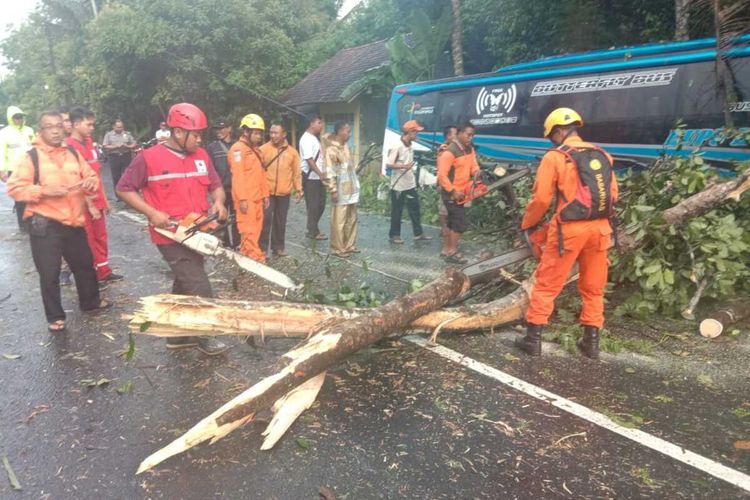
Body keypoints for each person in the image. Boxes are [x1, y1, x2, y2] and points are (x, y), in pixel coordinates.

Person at [116, 102, 228, 355]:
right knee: (200, 285)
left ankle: (178, 336)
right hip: (169, 234)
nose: (200, 139)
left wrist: (219, 203)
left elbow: (215, 185)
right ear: (178, 132)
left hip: (198, 232)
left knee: (185, 280)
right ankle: (205, 334)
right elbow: (123, 189)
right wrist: (152, 212)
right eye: (196, 134)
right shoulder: (149, 157)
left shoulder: (202, 156)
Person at [515, 108, 618, 359]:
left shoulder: (555, 157)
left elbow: (541, 199)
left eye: (552, 135)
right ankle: (591, 343)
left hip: (569, 231)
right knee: (594, 288)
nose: (553, 140)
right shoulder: (602, 154)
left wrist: (527, 224)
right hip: (601, 228)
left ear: (560, 131)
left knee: (547, 284)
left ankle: (533, 339)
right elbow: (613, 194)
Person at [7, 111, 110, 332]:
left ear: (64, 129)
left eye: (58, 126)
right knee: (49, 272)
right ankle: (55, 316)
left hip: (74, 221)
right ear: (40, 131)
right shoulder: (31, 157)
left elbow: (89, 174)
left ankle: (91, 302)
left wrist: (90, 183)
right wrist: (44, 191)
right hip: (45, 223)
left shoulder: (72, 152)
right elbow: (14, 188)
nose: (54, 130)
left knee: (84, 265)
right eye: (48, 126)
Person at [67, 106, 123, 284]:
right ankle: (90, 275)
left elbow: (97, 174)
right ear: (76, 124)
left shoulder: (89, 142)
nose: (92, 128)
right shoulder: (69, 147)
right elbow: (74, 180)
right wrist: (90, 205)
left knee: (101, 236)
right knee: (87, 239)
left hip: (96, 200)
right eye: (88, 124)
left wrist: (104, 200)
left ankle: (104, 271)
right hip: (81, 203)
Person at [227, 114, 269, 263]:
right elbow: (237, 176)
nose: (259, 136)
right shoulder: (238, 149)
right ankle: (256, 259)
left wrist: (265, 195)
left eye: (260, 133)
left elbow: (261, 174)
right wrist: (242, 199)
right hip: (246, 200)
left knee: (256, 231)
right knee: (248, 232)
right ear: (246, 132)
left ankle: (247, 257)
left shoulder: (256, 150)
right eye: (256, 133)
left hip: (257, 198)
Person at [437, 123, 480, 264]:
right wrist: (452, 190)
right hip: (451, 193)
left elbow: (473, 164)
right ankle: (452, 252)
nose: (470, 138)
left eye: (472, 135)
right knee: (459, 223)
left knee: (452, 223)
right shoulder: (449, 152)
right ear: (460, 133)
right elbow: (442, 175)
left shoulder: (469, 149)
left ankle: (448, 250)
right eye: (468, 135)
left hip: (464, 191)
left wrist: (476, 172)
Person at [259, 121, 302, 258]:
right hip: (267, 192)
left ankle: (278, 248)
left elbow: (296, 173)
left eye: (276, 133)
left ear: (284, 134)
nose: (273, 135)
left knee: (280, 220)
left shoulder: (292, 153)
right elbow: (258, 171)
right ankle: (262, 249)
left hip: (284, 192)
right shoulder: (263, 149)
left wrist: (299, 189)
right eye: (271, 132)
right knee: (265, 220)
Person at [386, 120, 432, 244]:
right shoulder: (397, 146)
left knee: (414, 208)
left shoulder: (410, 145)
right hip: (398, 185)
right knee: (397, 210)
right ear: (410, 132)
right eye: (416, 132)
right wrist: (403, 167)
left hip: (410, 183)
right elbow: (389, 164)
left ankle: (418, 233)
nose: (417, 134)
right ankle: (394, 235)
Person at [325, 122, 360, 257]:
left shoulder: (346, 147)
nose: (349, 134)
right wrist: (332, 189)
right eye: (348, 131)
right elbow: (329, 171)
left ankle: (349, 245)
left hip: (351, 188)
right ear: (339, 131)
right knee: (339, 220)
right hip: (340, 189)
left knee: (351, 218)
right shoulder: (331, 150)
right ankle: (338, 248)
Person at [0, 106, 35, 230]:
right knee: (19, 198)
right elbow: (1, 152)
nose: (19, 120)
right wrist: (1, 170)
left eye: (20, 117)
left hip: (31, 169)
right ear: (11, 118)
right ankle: (23, 225)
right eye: (16, 117)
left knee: (32, 195)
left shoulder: (29, 131)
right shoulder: (4, 133)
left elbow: (36, 148)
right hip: (14, 170)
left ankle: (32, 221)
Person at [207, 118, 240, 248]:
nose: (219, 132)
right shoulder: (212, 147)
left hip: (237, 189)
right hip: (221, 189)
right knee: (221, 217)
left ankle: (238, 243)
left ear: (229, 129)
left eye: (222, 128)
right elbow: (210, 169)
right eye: (217, 129)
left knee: (237, 218)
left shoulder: (237, 146)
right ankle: (224, 244)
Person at [299, 115, 328, 240]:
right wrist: (320, 174)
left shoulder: (314, 138)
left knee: (321, 204)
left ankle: (312, 227)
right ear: (311, 124)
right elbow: (309, 159)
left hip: (318, 176)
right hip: (311, 177)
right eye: (319, 122)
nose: (321, 125)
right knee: (313, 205)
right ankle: (312, 231)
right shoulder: (306, 139)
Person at [102, 119, 137, 195]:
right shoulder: (109, 135)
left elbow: (134, 144)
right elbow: (105, 146)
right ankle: (118, 195)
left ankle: (128, 193)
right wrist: (116, 146)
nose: (120, 129)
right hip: (114, 156)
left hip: (126, 155)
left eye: (121, 127)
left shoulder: (127, 134)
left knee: (127, 175)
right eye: (118, 127)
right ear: (114, 126)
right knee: (116, 176)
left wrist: (127, 146)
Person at [437, 125, 458, 240]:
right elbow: (442, 170)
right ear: (448, 136)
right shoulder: (444, 149)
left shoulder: (456, 148)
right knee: (444, 209)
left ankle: (449, 230)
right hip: (445, 183)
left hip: (454, 183)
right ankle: (444, 229)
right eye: (455, 134)